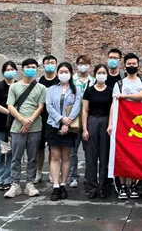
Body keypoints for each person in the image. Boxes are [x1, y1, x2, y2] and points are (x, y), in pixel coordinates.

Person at [108, 53, 142, 200]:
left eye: (134, 64)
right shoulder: (119, 84)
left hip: (139, 125)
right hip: (122, 124)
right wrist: (110, 123)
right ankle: (122, 186)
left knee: (135, 155)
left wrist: (125, 96)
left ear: (138, 66)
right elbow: (114, 104)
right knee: (122, 155)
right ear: (124, 66)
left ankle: (134, 184)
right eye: (129, 64)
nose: (132, 66)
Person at [5, 59, 47, 199]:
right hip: (17, 127)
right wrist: (22, 120)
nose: (31, 69)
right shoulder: (14, 87)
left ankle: (30, 183)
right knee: (16, 157)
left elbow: (40, 107)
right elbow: (10, 106)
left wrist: (29, 122)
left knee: (32, 157)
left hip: (35, 127)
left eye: (33, 67)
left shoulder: (41, 88)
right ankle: (15, 184)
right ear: (22, 69)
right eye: (28, 67)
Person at [46, 62, 82, 201]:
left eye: (66, 72)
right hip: (53, 125)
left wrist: (68, 121)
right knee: (55, 156)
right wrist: (61, 119)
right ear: (57, 74)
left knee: (66, 156)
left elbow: (77, 106)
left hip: (69, 126)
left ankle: (63, 185)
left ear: (71, 73)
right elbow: (49, 106)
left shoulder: (76, 89)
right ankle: (55, 186)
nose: (64, 74)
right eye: (61, 72)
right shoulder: (51, 89)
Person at [83, 64, 113, 199]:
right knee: (91, 155)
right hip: (92, 121)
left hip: (105, 121)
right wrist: (85, 129)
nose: (101, 75)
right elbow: (85, 110)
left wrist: (110, 124)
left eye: (103, 72)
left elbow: (112, 109)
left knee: (104, 154)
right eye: (99, 73)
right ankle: (92, 186)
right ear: (95, 74)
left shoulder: (110, 90)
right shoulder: (89, 90)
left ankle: (102, 186)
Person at [0, 61, 17, 192]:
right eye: (7, 69)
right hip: (0, 124)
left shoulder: (18, 86)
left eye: (12, 69)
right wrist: (11, 113)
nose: (10, 72)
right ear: (3, 72)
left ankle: (8, 180)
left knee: (11, 154)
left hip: (14, 125)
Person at [69, 55, 95, 188]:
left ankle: (88, 175)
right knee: (72, 149)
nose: (82, 66)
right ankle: (73, 176)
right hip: (74, 118)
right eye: (80, 63)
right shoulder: (71, 80)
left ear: (89, 65)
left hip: (89, 118)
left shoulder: (93, 80)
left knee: (89, 149)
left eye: (85, 63)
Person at [35, 54, 58, 184]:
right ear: (43, 65)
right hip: (40, 118)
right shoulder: (38, 81)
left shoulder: (60, 81)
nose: (50, 65)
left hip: (54, 119)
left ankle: (52, 172)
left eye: (52, 62)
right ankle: (38, 172)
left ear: (56, 64)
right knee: (39, 148)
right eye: (47, 62)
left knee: (53, 148)